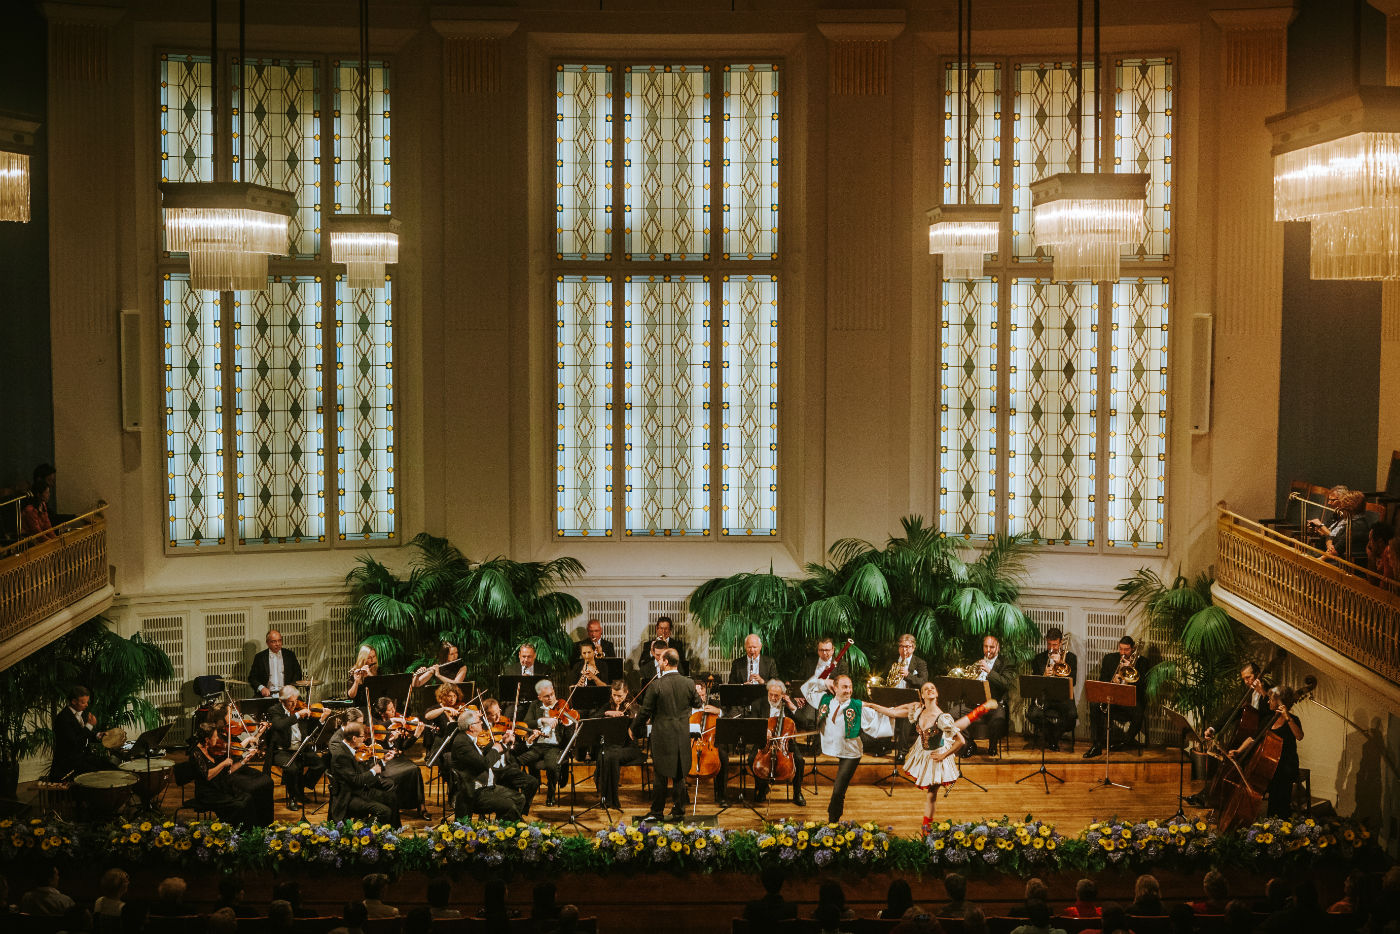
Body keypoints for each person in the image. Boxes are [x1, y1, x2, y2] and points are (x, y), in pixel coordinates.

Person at [886, 681, 998, 832]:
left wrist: (943, 755)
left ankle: (926, 828)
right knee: (956, 725)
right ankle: (981, 709)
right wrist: (872, 706)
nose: (930, 690)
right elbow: (895, 711)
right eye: (926, 689)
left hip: (940, 749)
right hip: (929, 743)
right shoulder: (920, 709)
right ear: (922, 695)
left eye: (933, 687)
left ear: (937, 693)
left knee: (932, 793)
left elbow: (960, 741)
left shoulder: (941, 716)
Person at [801, 672, 903, 822]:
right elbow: (806, 688)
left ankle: (833, 820)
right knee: (838, 790)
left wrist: (894, 711)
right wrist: (824, 682)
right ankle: (833, 815)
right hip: (831, 747)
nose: (848, 690)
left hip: (851, 752)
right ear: (835, 688)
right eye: (844, 687)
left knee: (838, 790)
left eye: (850, 687)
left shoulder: (857, 706)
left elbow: (878, 718)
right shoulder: (825, 700)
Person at [637, 647, 704, 819]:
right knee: (679, 774)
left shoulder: (656, 685)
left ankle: (657, 811)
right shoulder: (689, 683)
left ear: (666, 662)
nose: (658, 661)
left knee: (660, 773)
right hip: (681, 734)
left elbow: (645, 711)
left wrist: (632, 728)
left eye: (660, 659)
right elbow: (697, 703)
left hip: (662, 735)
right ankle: (679, 810)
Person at [1228, 684, 1304, 816]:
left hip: (1286, 766)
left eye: (1271, 699)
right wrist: (1238, 751)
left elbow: (1299, 736)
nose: (1268, 701)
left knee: (1279, 797)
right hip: (1269, 766)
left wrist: (1288, 717)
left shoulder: (1293, 720)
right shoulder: (1268, 719)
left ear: (1280, 702)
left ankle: (1279, 823)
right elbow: (1253, 738)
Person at [450, 708, 534, 820]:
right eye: (478, 722)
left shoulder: (469, 739)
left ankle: (503, 828)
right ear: (471, 727)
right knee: (509, 805)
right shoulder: (462, 743)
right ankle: (506, 829)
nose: (481, 723)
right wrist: (495, 749)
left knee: (519, 798)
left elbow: (482, 757)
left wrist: (503, 743)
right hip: (474, 792)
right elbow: (484, 764)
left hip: (487, 786)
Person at [1085, 635, 1154, 758]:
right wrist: (1113, 680)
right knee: (1095, 705)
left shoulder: (1143, 662)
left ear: (1132, 649)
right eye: (1120, 649)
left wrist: (1131, 673)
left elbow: (1144, 686)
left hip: (1131, 702)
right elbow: (1102, 681)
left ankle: (1125, 742)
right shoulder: (1110, 659)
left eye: (1126, 650)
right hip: (1113, 699)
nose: (1123, 653)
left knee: (1139, 713)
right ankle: (1097, 745)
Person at [745, 678, 807, 806]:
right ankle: (762, 788)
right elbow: (752, 723)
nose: (773, 698)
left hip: (785, 742)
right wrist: (763, 730)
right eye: (771, 695)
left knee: (800, 761)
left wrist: (792, 706)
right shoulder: (758, 703)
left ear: (782, 695)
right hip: (764, 741)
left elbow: (805, 722)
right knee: (751, 759)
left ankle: (797, 793)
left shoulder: (789, 703)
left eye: (777, 695)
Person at [265, 686, 326, 809]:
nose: (294, 704)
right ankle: (293, 797)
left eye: (296, 700)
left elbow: (311, 729)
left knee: (320, 763)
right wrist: (297, 715)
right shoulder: (275, 710)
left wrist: (323, 719)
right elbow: (279, 725)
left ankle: (300, 788)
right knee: (291, 769)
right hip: (282, 751)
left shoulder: (300, 708)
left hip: (300, 749)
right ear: (282, 701)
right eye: (290, 702)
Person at [328, 722, 400, 825]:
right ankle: (366, 833)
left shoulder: (349, 750)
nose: (364, 739)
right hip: (349, 797)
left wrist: (384, 761)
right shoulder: (341, 755)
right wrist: (374, 771)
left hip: (359, 790)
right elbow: (355, 780)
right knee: (384, 812)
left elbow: (361, 773)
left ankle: (394, 830)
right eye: (362, 736)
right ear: (354, 738)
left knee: (391, 798)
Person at [517, 680, 574, 807]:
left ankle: (551, 793)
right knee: (517, 760)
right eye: (547, 696)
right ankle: (525, 792)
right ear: (539, 697)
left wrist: (567, 724)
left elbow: (570, 736)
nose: (551, 698)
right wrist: (543, 720)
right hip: (537, 746)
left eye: (552, 694)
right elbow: (526, 723)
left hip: (554, 747)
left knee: (551, 766)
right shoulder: (535, 705)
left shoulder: (562, 706)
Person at [592, 679, 645, 809]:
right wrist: (608, 713)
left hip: (629, 748)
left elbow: (642, 731)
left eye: (620, 695)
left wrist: (633, 725)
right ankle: (605, 798)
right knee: (605, 754)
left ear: (626, 693)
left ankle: (613, 799)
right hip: (611, 747)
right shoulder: (607, 706)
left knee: (611, 755)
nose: (617, 698)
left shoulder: (633, 708)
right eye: (614, 695)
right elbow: (594, 718)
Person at [371, 696, 428, 817]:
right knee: (397, 775)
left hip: (397, 758)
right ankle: (395, 804)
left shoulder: (398, 723)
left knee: (415, 769)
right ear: (381, 713)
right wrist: (391, 730)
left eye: (393, 708)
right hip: (384, 760)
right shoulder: (375, 724)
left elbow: (404, 746)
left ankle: (421, 806)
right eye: (390, 710)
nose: (394, 712)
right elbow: (377, 739)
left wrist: (416, 735)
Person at [191, 726, 259, 826]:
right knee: (239, 805)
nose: (217, 739)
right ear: (207, 739)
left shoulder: (212, 750)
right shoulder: (196, 754)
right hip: (207, 793)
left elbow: (229, 771)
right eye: (215, 737)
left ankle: (249, 832)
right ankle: (234, 832)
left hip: (220, 787)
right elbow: (208, 775)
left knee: (248, 798)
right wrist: (223, 763)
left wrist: (244, 760)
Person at [1026, 627, 1078, 750]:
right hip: (1044, 697)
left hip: (1063, 697)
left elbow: (1073, 681)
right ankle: (1052, 738)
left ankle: (1052, 737)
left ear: (1060, 643)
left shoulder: (1071, 658)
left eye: (1054, 644)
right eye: (1049, 644)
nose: (1051, 648)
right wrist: (1044, 675)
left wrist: (1060, 663)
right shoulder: (1039, 658)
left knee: (1072, 716)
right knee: (1032, 714)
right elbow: (1034, 682)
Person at [49, 685, 111, 780]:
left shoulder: (81, 712)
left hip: (82, 757)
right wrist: (89, 725)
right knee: (101, 775)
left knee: (110, 767)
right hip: (69, 762)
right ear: (74, 702)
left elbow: (84, 733)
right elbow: (75, 742)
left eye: (87, 702)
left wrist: (98, 735)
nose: (86, 705)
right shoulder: (63, 718)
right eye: (83, 702)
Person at [1307, 486, 1371, 565]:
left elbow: (1337, 549)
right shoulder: (1349, 520)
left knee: (1308, 560)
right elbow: (1331, 536)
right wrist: (1330, 544)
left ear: (1349, 508)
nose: (1340, 510)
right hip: (1332, 555)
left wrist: (1318, 560)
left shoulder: (1356, 525)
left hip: (1343, 562)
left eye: (1342, 508)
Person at [247, 629, 303, 698]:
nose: (278, 644)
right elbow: (252, 678)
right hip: (267, 695)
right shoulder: (260, 657)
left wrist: (291, 688)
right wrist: (261, 688)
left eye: (279, 640)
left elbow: (298, 674)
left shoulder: (289, 655)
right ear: (267, 643)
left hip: (287, 695)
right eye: (274, 641)